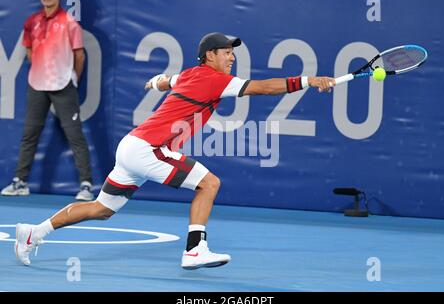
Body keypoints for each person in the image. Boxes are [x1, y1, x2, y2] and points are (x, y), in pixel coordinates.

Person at [14, 32, 335, 269]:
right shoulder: (213, 78)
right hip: (149, 149)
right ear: (210, 56)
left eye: (231, 53)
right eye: (226, 52)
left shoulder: (190, 74)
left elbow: (168, 80)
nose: (231, 57)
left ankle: (34, 232)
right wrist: (309, 80)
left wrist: (155, 83)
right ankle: (195, 249)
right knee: (209, 183)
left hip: (131, 147)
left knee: (102, 209)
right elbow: (264, 88)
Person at [1, 0, 94, 201]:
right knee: (29, 134)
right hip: (37, 85)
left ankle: (86, 184)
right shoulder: (31, 22)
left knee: (75, 135)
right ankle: (20, 182)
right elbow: (29, 52)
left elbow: (79, 56)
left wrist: (72, 79)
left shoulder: (70, 23)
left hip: (63, 86)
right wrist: (41, 70)